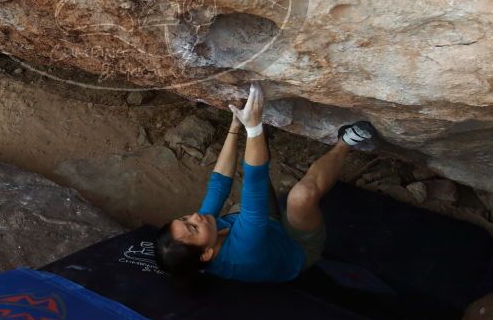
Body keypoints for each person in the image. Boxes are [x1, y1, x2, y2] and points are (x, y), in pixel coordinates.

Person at [155, 82, 378, 283]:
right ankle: (345, 142)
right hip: (296, 247)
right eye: (192, 226)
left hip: (267, 227)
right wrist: (253, 128)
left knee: (254, 181)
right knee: (301, 196)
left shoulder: (204, 232)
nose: (195, 216)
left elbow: (219, 184)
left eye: (185, 218)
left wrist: (235, 126)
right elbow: (254, 183)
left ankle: (259, 137)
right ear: (206, 254)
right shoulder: (243, 253)